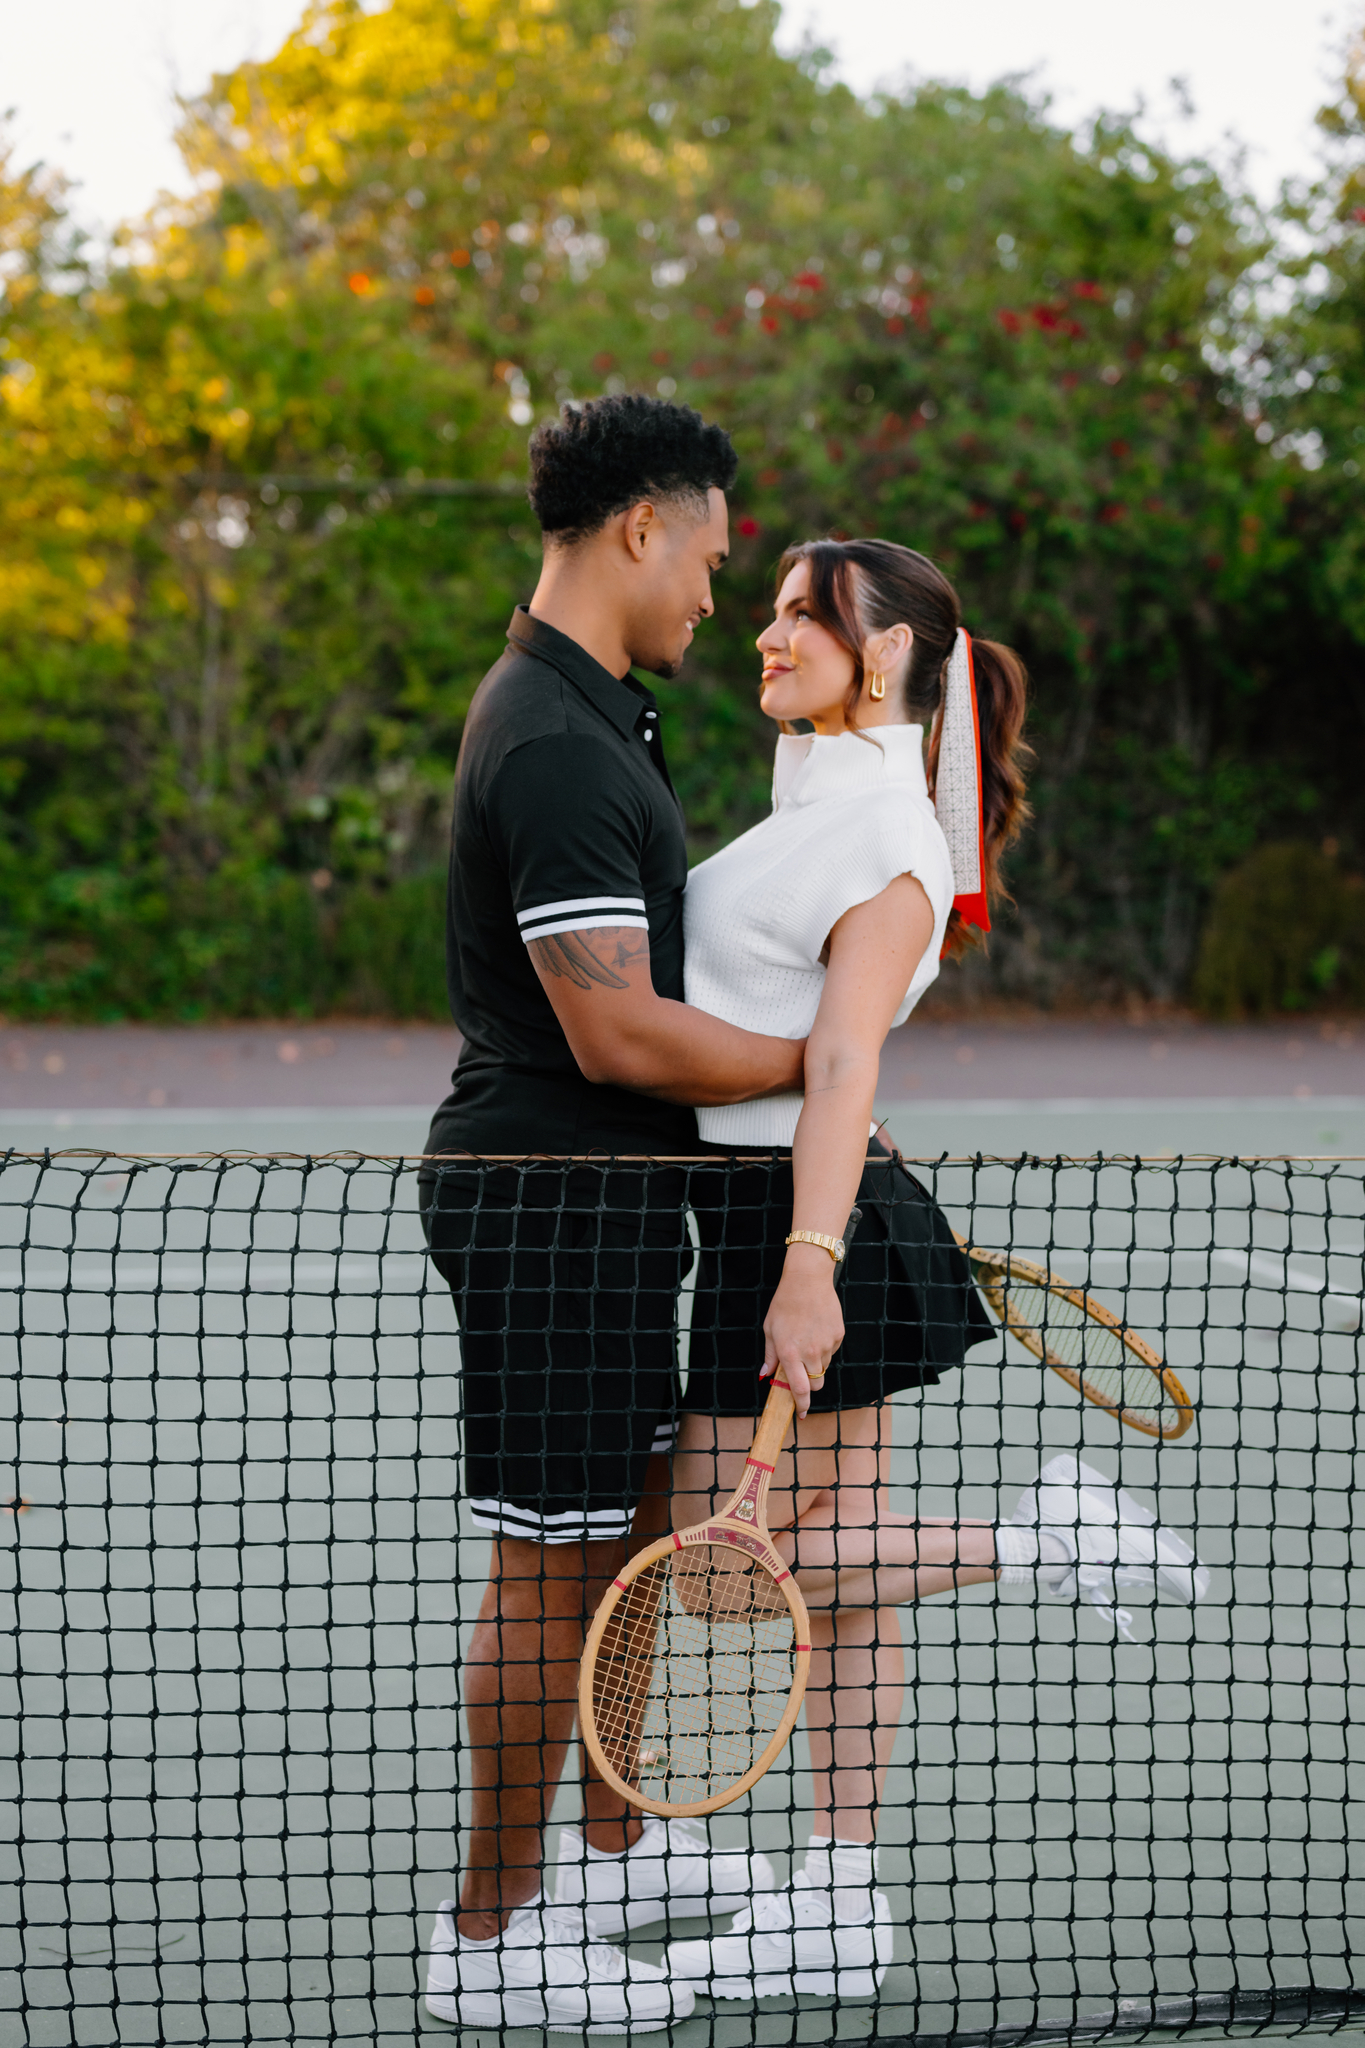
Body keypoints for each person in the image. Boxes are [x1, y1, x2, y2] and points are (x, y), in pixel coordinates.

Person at [662, 538, 1211, 2002]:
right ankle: (838, 1901)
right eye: (771, 611)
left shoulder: (883, 837)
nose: (765, 637)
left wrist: (805, 1264)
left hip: (804, 1232)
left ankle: (1044, 1540)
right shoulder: (821, 809)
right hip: (793, 1208)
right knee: (844, 1575)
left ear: (886, 651)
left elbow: (844, 1058)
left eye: (799, 618)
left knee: (732, 1581)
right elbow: (806, 1036)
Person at [419, 395, 811, 2033]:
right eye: (712, 559)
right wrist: (820, 1063)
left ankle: (606, 1855)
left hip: (604, 1197)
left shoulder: (596, 711)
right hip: (546, 1199)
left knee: (636, 1527)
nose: (718, 601)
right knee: (550, 1568)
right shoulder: (560, 743)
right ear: (638, 528)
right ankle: (490, 1944)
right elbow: (617, 1029)